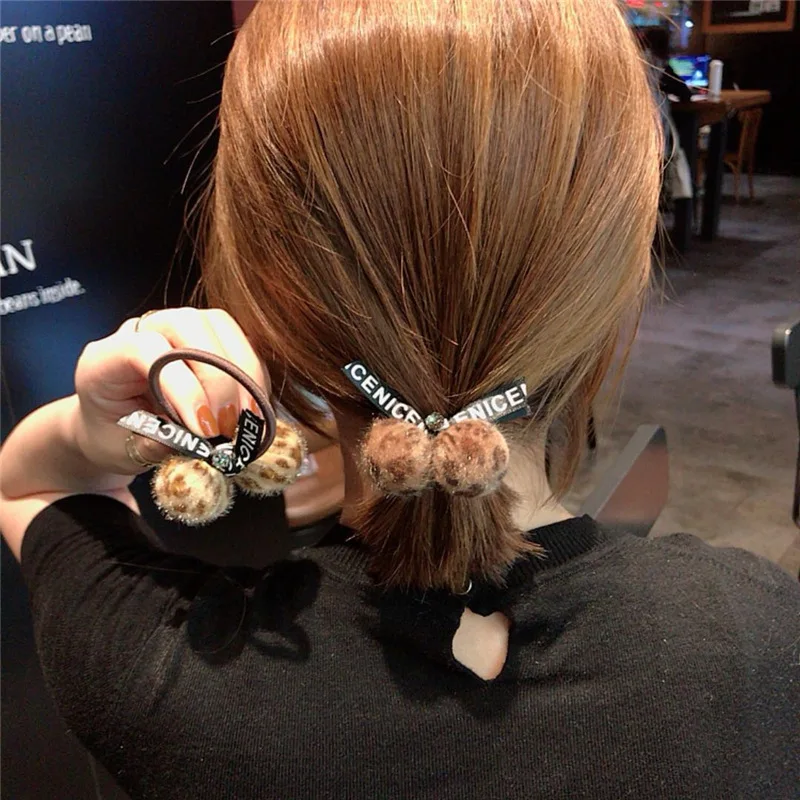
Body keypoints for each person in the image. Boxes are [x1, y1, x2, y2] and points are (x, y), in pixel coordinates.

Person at [0, 1, 797, 798]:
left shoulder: (168, 677)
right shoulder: (756, 644)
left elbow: (27, 489)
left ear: (268, 294)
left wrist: (101, 434)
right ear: (609, 278)